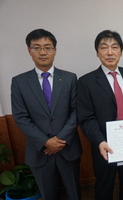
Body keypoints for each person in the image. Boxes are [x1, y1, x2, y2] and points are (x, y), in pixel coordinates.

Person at [11, 29, 82, 200]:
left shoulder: (70, 78)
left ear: (54, 50)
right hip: (39, 151)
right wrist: (45, 141)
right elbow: (20, 117)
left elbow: (76, 111)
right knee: (49, 195)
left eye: (48, 47)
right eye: (37, 47)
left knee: (74, 193)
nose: (43, 52)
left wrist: (60, 140)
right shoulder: (19, 82)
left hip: (68, 148)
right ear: (29, 51)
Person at [77, 30, 123, 200]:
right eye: (104, 48)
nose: (110, 52)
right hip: (103, 143)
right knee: (105, 185)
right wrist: (100, 141)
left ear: (121, 52)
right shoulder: (86, 81)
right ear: (97, 52)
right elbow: (86, 117)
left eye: (114, 47)